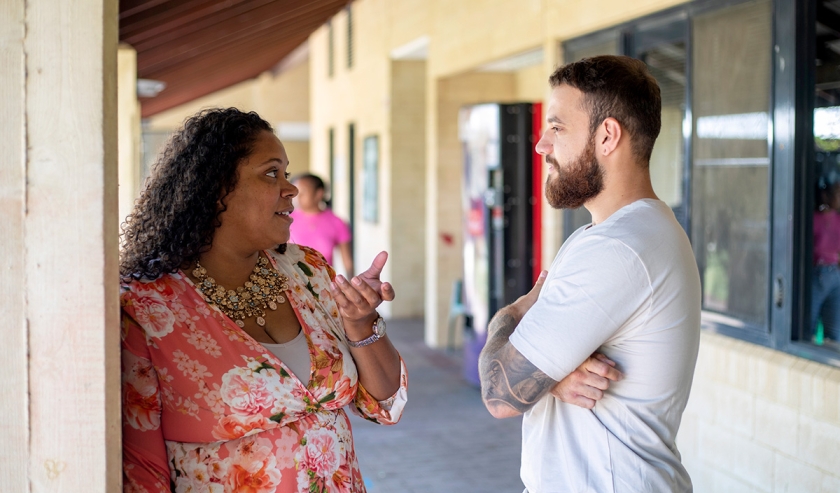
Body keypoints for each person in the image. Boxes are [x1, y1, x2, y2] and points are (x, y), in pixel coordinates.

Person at [119, 108, 407, 493]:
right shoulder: (145, 309)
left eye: (287, 173)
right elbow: (142, 470)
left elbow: (386, 406)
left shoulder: (308, 270)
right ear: (216, 187)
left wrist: (360, 322)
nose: (291, 189)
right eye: (272, 173)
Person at [478, 55, 701, 492]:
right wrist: (547, 376)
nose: (541, 145)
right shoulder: (605, 235)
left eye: (557, 128)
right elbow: (515, 376)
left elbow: (500, 394)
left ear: (607, 135)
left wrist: (516, 323)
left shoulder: (618, 248)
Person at [290, 174, 354, 276]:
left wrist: (350, 287)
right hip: (292, 285)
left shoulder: (337, 222)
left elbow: (348, 263)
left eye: (303, 191)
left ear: (319, 194)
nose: (298, 196)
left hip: (325, 286)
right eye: (296, 192)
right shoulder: (287, 221)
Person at [812, 180, 840, 342]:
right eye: (837, 193)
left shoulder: (838, 220)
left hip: (835, 275)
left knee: (834, 333)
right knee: (807, 329)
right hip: (817, 275)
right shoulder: (815, 219)